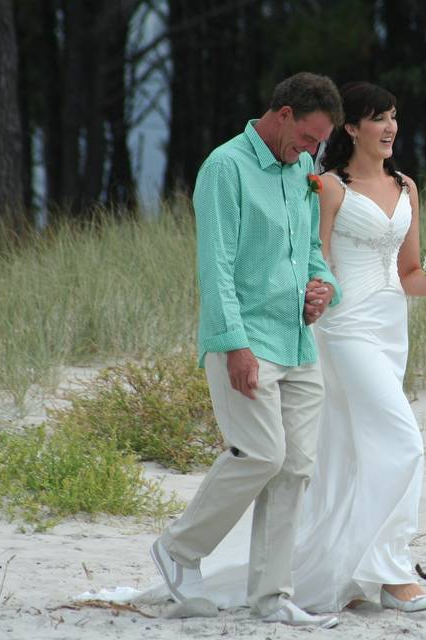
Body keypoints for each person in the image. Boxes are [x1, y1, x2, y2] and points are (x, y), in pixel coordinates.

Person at [149, 72, 344, 629]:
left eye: (320, 143)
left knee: (296, 468)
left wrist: (323, 287)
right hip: (247, 341)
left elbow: (310, 248)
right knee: (261, 454)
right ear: (282, 114)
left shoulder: (303, 169)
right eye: (308, 138)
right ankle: (180, 549)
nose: (313, 152)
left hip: (299, 342)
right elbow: (215, 269)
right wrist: (235, 345)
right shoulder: (225, 168)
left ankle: (271, 597)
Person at [291, 81, 426, 612]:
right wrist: (311, 300)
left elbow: (408, 273)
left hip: (391, 328)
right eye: (378, 118)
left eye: (394, 117)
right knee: (403, 440)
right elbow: (313, 263)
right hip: (344, 330)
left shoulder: (407, 186)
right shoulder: (327, 187)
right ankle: (390, 569)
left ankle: (342, 565)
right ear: (351, 128)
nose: (390, 127)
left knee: (352, 449)